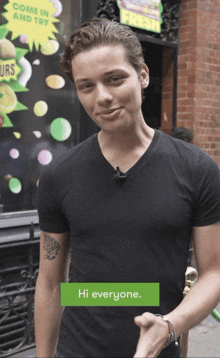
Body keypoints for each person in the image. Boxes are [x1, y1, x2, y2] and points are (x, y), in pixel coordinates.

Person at [35, 18, 220, 358]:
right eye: (86, 86)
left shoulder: (197, 169)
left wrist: (170, 326)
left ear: (143, 75)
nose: (102, 97)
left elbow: (214, 273)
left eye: (115, 79)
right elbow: (50, 283)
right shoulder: (59, 176)